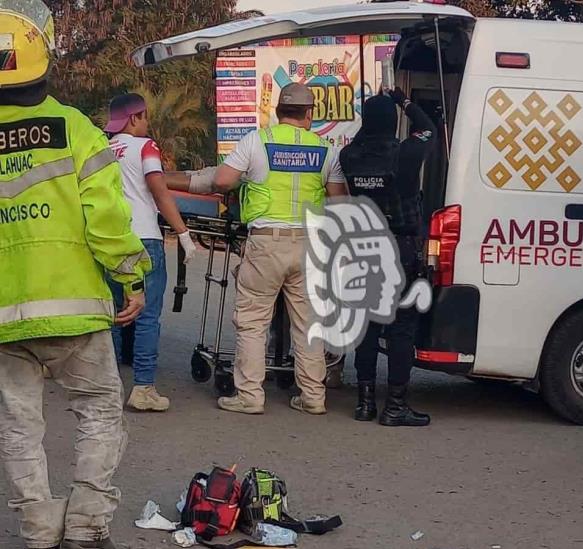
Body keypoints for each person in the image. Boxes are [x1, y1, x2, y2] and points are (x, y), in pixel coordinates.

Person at [0, 2, 152, 548]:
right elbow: (108, 221)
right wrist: (132, 278)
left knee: (19, 427)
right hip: (74, 309)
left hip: (4, 318)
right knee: (99, 411)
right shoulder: (76, 131)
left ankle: (39, 530)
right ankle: (86, 527)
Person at [185, 83, 347, 415]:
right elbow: (339, 200)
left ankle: (249, 396)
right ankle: (313, 396)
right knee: (307, 323)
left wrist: (248, 179)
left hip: (266, 243)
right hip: (309, 245)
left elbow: (222, 181)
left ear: (278, 111)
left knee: (253, 320)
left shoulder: (256, 140)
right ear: (309, 114)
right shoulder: (325, 149)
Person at [339, 87, 436, 427]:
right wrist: (404, 101)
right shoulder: (405, 153)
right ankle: (395, 406)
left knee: (366, 326)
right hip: (400, 248)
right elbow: (429, 128)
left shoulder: (349, 156)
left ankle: (365, 403)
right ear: (393, 121)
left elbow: (361, 139)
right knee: (401, 329)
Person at [104, 93, 197, 412]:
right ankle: (143, 387)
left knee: (116, 313)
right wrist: (183, 233)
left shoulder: (102, 148)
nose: (147, 123)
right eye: (144, 117)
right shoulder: (146, 147)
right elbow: (159, 189)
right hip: (144, 239)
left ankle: (109, 387)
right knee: (145, 316)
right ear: (134, 118)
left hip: (111, 240)